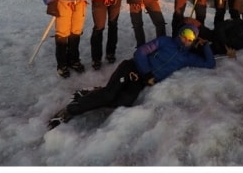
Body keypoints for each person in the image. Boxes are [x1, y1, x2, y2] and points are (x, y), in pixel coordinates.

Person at [47, 24, 216, 130]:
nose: (186, 38)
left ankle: (90, 94)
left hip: (141, 81)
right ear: (180, 33)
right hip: (131, 67)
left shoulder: (187, 58)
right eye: (185, 33)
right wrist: (148, 72)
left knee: (122, 103)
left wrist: (206, 46)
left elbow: (210, 64)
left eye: (191, 37)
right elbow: (141, 52)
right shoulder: (165, 41)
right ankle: (69, 110)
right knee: (108, 95)